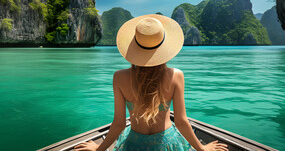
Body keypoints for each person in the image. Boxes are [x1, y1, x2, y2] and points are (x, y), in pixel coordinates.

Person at [74, 14, 228, 151]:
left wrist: (98, 149)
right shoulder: (176, 76)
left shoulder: (119, 77)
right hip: (168, 144)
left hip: (134, 144)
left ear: (134, 47)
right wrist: (202, 148)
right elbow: (181, 122)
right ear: (164, 47)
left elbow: (119, 124)